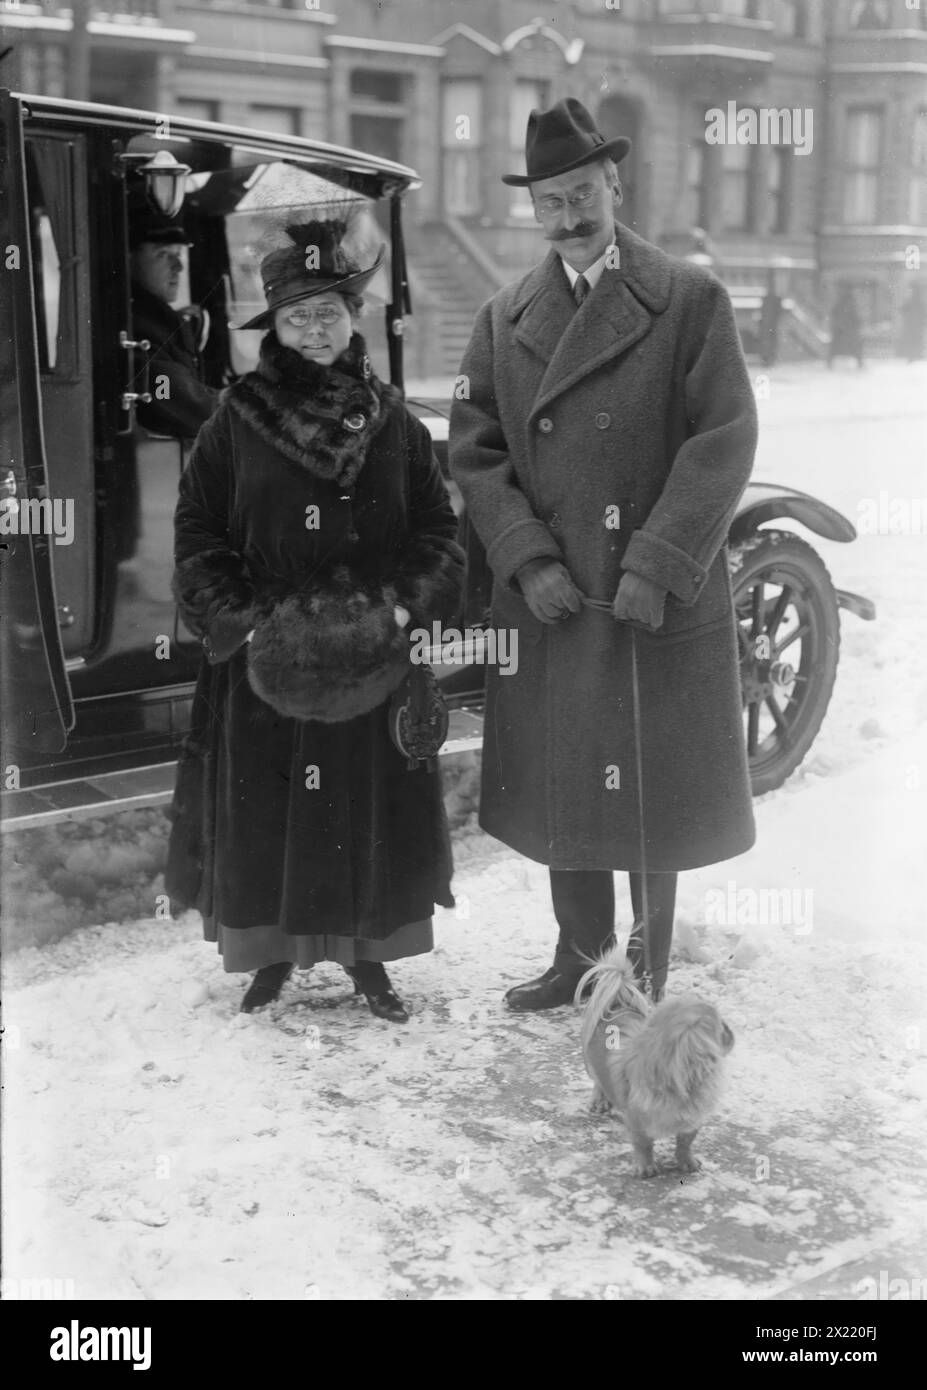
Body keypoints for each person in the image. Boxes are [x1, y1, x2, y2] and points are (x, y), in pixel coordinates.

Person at [449, 98, 758, 1009]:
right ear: (533, 209)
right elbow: (475, 449)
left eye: (583, 193)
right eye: (550, 202)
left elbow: (723, 441)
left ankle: (647, 965)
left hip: (647, 596)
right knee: (564, 785)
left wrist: (657, 563)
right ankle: (579, 961)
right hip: (554, 598)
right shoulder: (503, 319)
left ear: (614, 185)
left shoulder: (687, 299)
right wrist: (527, 558)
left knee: (650, 791)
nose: (570, 216)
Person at [164, 219, 465, 1021]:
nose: (315, 330)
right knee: (271, 814)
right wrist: (251, 626)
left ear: (352, 316)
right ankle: (271, 960)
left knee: (361, 814)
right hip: (268, 667)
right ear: (276, 328)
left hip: (372, 658)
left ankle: (369, 964)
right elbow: (196, 535)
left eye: (328, 312)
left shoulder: (394, 423)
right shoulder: (232, 424)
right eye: (298, 317)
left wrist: (400, 608)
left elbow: (439, 530)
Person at [128, 193, 220, 438]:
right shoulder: (136, 327)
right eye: (163, 254)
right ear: (129, 261)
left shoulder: (161, 321)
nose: (178, 267)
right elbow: (177, 399)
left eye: (178, 254)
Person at [828, 284, 864, 369]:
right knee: (854, 346)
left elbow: (834, 314)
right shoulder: (850, 303)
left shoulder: (841, 302)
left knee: (836, 347)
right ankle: (859, 363)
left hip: (843, 330)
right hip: (846, 330)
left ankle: (829, 362)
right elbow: (856, 317)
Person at [897, 285, 926, 363]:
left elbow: (902, 310)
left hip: (911, 325)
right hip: (915, 325)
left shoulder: (910, 301)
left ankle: (912, 356)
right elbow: (923, 313)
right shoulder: (919, 301)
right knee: (915, 340)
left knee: (911, 340)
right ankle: (915, 355)